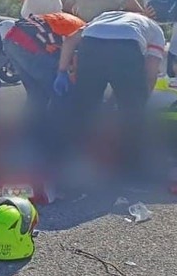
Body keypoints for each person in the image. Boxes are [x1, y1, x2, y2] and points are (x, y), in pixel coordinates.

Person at [54, 10, 166, 169]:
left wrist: (62, 71)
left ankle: (73, 157)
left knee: (84, 107)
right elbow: (151, 70)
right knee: (132, 113)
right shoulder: (155, 30)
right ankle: (130, 165)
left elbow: (70, 40)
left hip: (91, 43)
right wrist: (141, 99)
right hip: (126, 46)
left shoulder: (104, 16)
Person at [1, 11, 86, 129]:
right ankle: (63, 131)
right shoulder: (84, 34)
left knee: (37, 94)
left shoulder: (73, 23)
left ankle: (29, 131)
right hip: (28, 42)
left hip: (11, 40)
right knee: (60, 91)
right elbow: (74, 58)